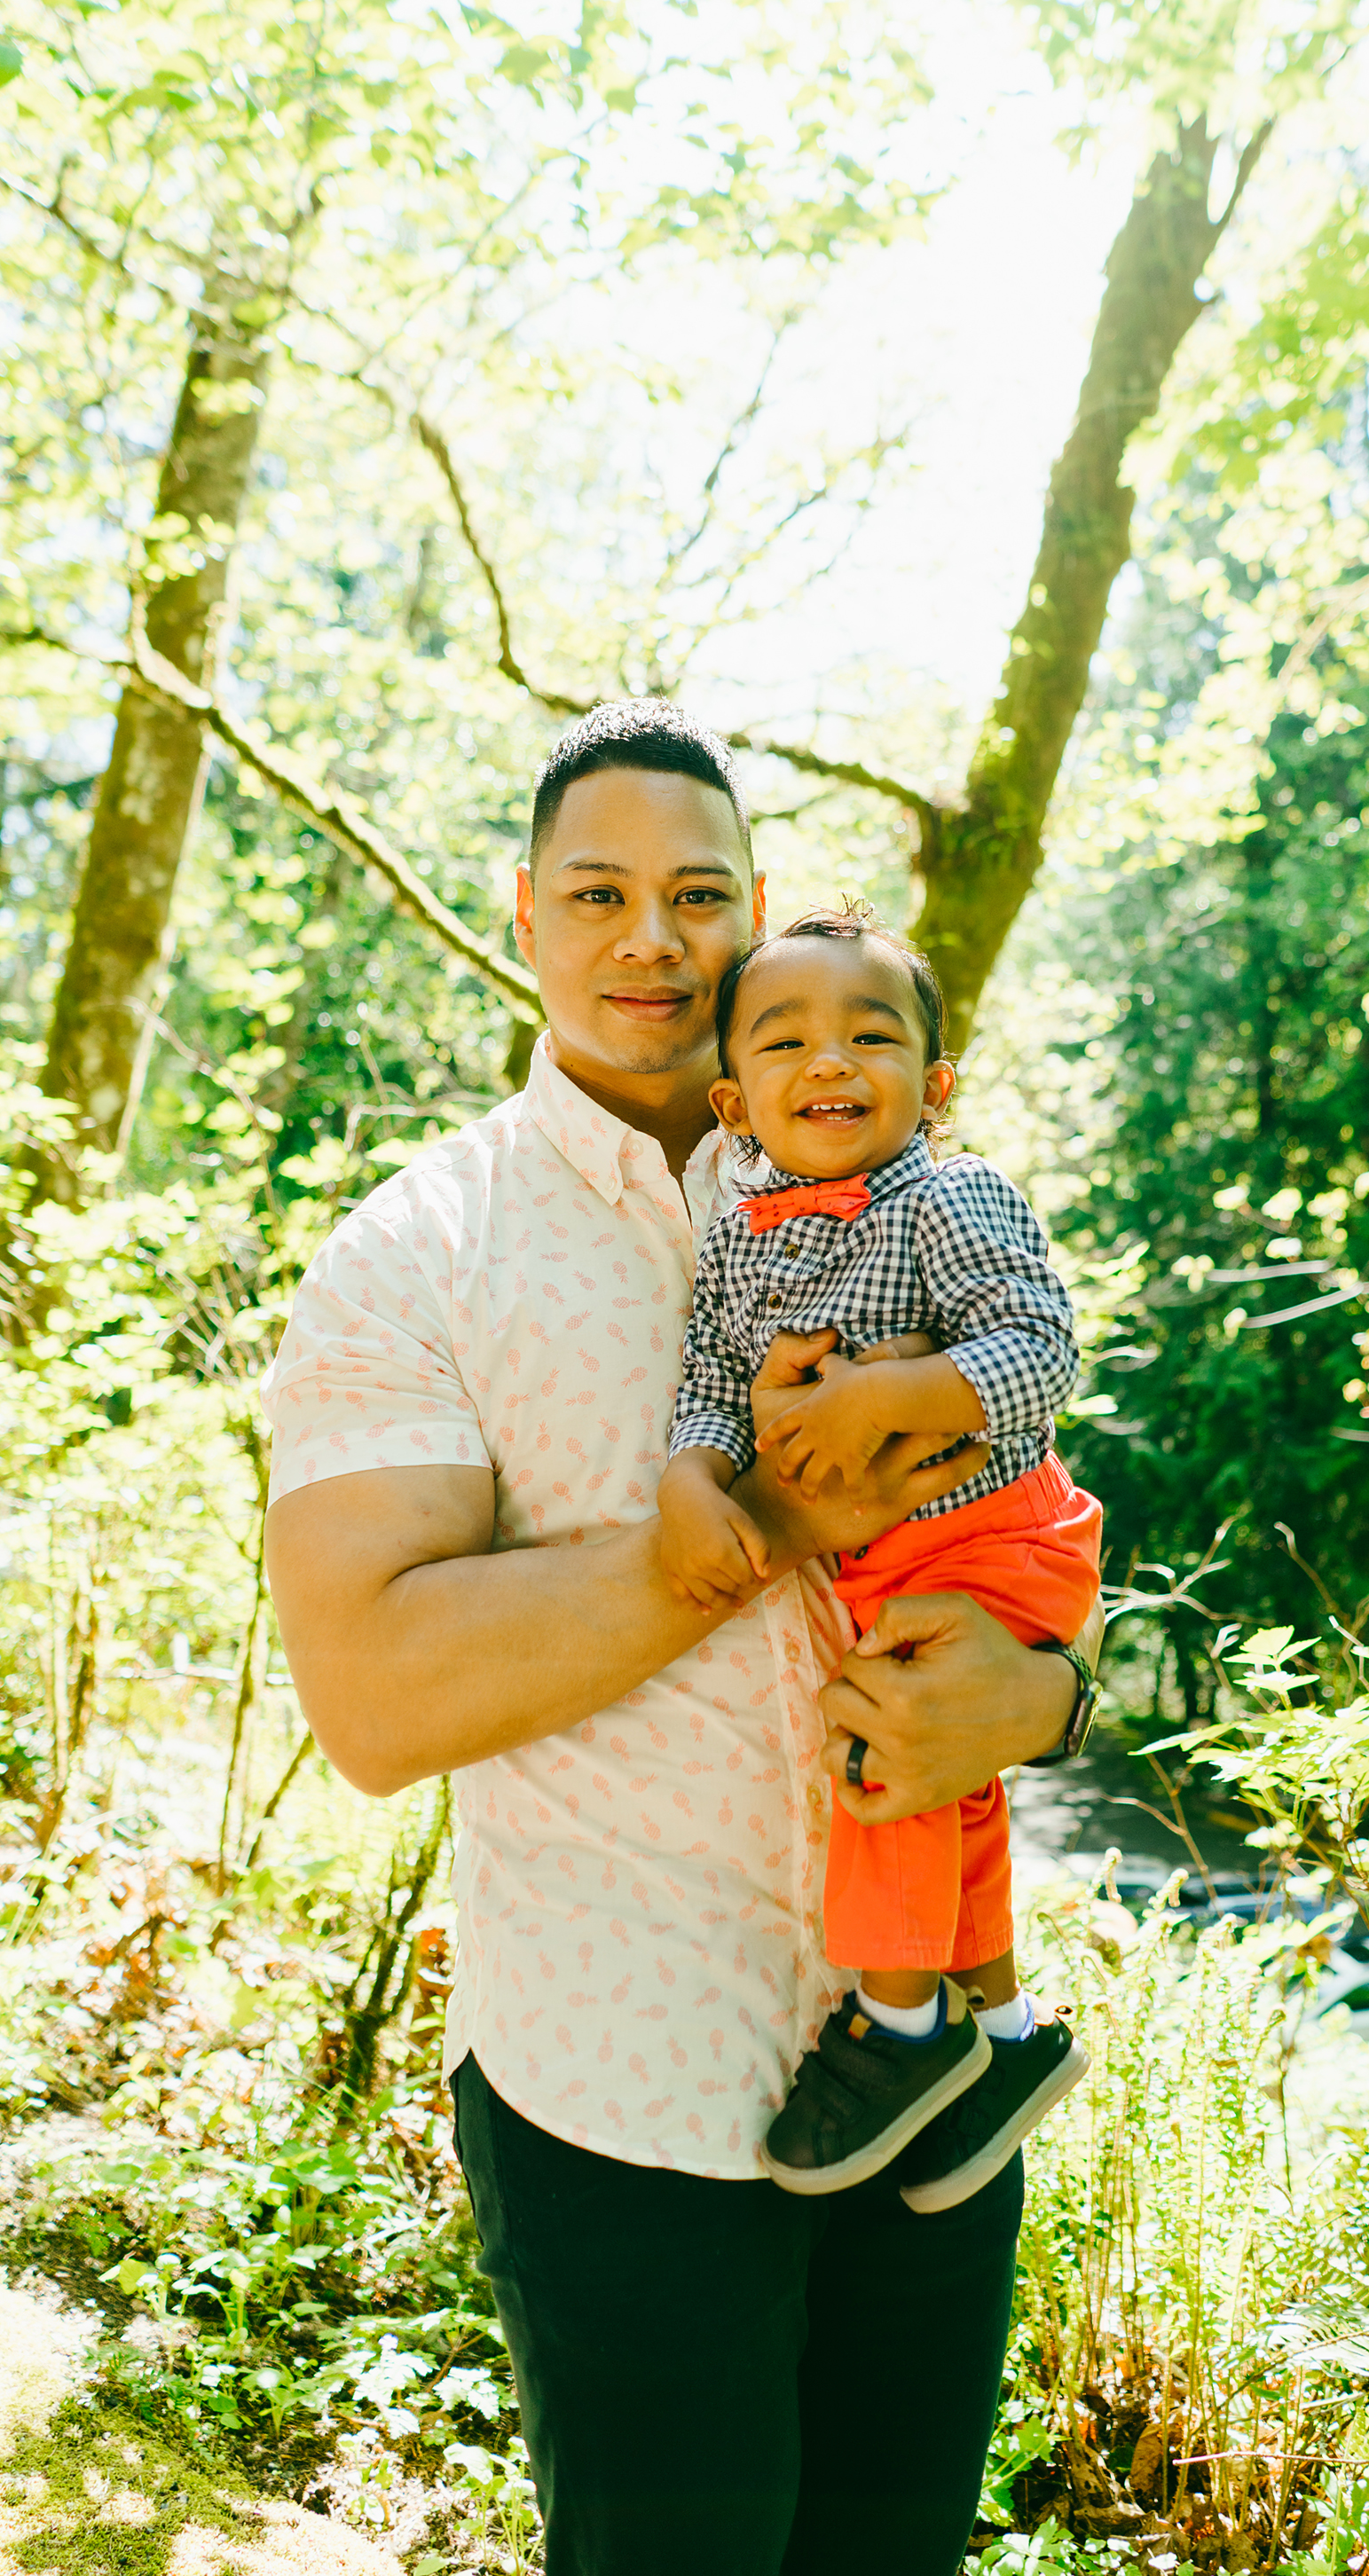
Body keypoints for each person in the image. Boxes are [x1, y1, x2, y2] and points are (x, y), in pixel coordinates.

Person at [260, 701, 1101, 2576]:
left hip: (929, 2075)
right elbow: (372, 1696)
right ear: (527, 913)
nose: (651, 938)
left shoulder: (886, 1162)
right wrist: (782, 1500)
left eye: (696, 893)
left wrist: (1041, 1695)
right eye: (600, 893)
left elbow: (1032, 1523)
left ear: (756, 912)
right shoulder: (416, 1247)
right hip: (625, 2094)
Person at [658, 908, 1099, 2211]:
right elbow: (711, 1389)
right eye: (786, 1040)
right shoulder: (738, 1243)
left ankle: (902, 2025)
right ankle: (1007, 2036)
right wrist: (691, 1476)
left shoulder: (948, 1197)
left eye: (870, 1034)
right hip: (895, 1554)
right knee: (955, 1782)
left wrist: (888, 1399)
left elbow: (1040, 1347)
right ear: (734, 1100)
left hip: (997, 1524)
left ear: (934, 1083)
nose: (829, 1062)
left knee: (887, 1752)